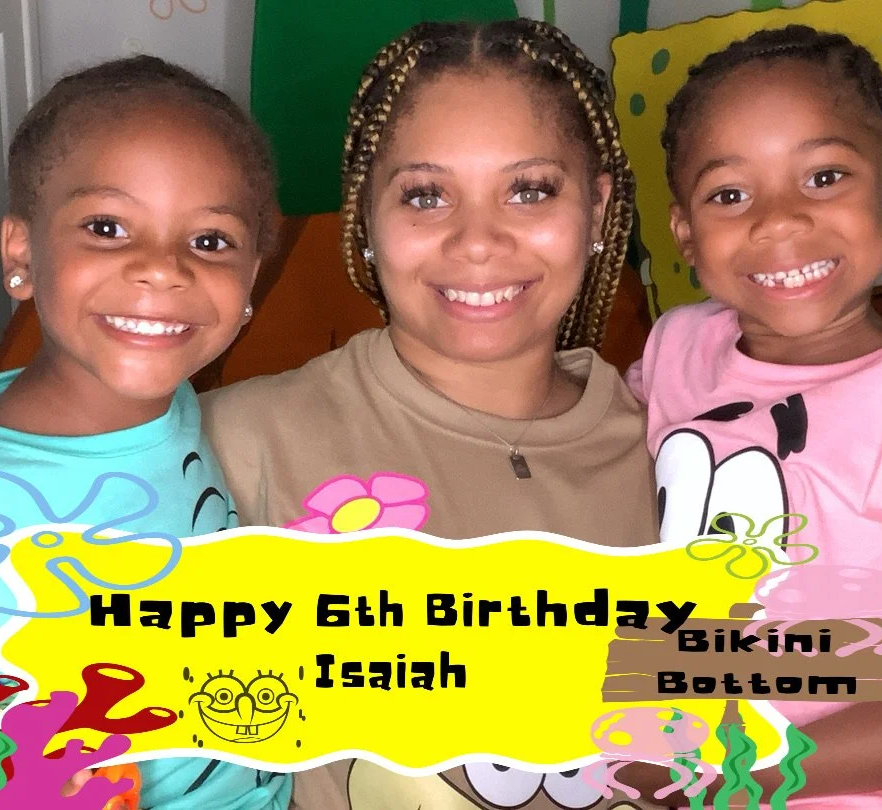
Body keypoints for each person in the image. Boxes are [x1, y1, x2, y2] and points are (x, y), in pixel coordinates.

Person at [203, 19, 661, 810]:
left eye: (530, 189)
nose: (477, 240)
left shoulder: (683, 447)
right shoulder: (239, 439)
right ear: (367, 218)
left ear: (597, 207)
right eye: (425, 195)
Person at [0, 56, 290, 810]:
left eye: (211, 241)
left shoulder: (171, 404)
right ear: (21, 254)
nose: (163, 270)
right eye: (108, 227)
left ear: (251, 276)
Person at [625, 25, 882, 807]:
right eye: (730, 194)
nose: (777, 220)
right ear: (685, 233)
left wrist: (737, 777)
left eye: (824, 176)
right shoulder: (678, 347)